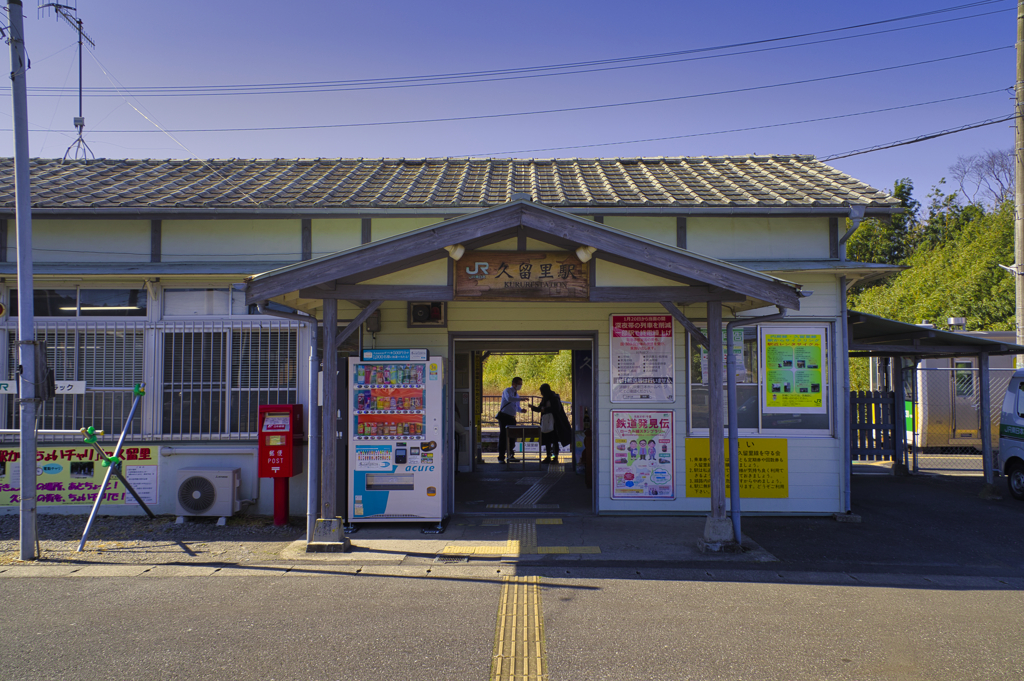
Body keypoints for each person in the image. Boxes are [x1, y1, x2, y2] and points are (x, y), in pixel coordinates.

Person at [530, 383, 573, 464]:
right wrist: (534, 408)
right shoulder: (545, 398)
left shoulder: (554, 398)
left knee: (554, 439)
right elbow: (540, 408)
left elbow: (556, 408)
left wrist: (545, 410)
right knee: (547, 440)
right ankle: (549, 456)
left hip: (555, 422)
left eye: (542, 391)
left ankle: (555, 457)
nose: (541, 393)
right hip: (547, 422)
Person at [497, 376, 526, 463]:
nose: (520, 386)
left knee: (512, 437)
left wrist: (521, 410)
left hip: (512, 418)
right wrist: (521, 399)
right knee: (503, 436)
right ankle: (501, 457)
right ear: (514, 384)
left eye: (521, 384)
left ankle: (511, 455)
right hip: (504, 417)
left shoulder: (517, 394)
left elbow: (516, 407)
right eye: (519, 384)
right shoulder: (507, 391)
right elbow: (509, 399)